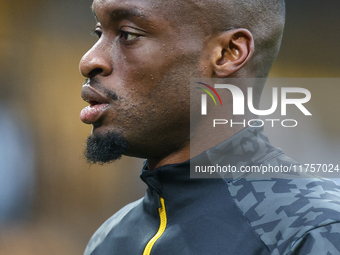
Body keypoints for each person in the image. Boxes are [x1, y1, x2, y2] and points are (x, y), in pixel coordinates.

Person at [79, 0, 340, 254]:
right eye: (99, 32)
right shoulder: (109, 239)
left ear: (228, 54)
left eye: (127, 34)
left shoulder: (313, 231)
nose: (89, 61)